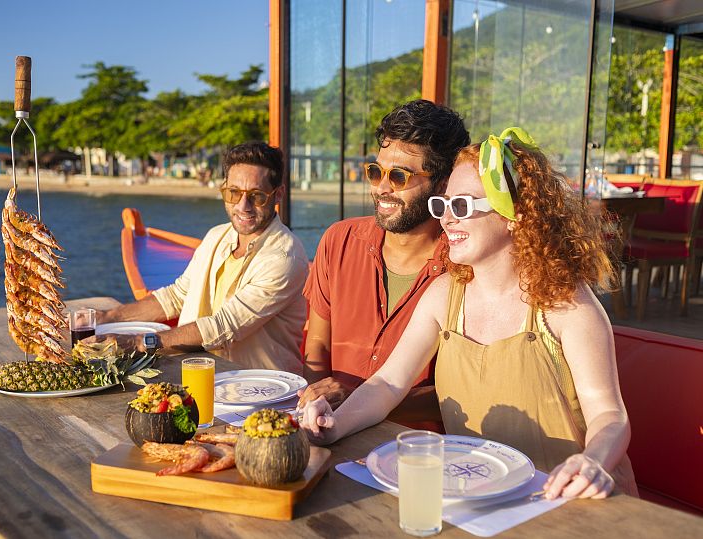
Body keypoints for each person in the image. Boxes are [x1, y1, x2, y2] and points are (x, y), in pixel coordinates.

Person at [301, 128, 638, 500]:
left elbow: (609, 416)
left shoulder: (567, 305)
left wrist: (594, 461)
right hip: (481, 494)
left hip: (571, 499)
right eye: (443, 205)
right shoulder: (443, 295)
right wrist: (334, 425)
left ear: (516, 217)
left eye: (462, 206)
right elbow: (387, 385)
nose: (447, 220)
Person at [297, 100, 470, 425]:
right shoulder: (339, 241)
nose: (382, 187)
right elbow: (317, 343)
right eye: (375, 172)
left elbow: (460, 390)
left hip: (417, 452)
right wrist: (314, 401)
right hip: (332, 433)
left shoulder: (464, 266)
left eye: (400, 176)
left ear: (443, 185)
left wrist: (357, 398)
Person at [88, 142, 309, 373]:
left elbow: (223, 327)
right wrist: (107, 317)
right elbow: (176, 296)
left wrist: (137, 343)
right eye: (233, 193)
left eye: (257, 196)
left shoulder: (284, 257)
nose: (243, 206)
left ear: (278, 195)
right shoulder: (217, 236)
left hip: (258, 393)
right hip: (199, 375)